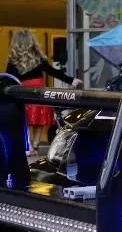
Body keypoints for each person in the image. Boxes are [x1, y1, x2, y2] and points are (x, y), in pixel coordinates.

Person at [5, 29, 82, 157]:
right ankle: (35, 144)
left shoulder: (13, 60)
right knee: (39, 119)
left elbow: (9, 78)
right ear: (32, 42)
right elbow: (52, 72)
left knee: (26, 120)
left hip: (23, 93)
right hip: (39, 93)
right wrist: (71, 80)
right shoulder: (38, 58)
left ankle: (29, 146)